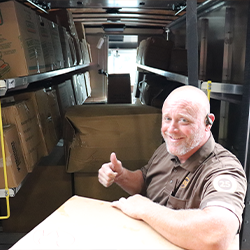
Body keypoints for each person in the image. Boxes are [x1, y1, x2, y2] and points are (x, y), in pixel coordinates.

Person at [98, 85, 247, 250]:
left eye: (184, 120)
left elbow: (217, 235)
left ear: (208, 123)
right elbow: (145, 181)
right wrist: (122, 176)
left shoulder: (224, 169)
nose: (171, 129)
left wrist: (146, 209)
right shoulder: (167, 149)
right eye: (167, 118)